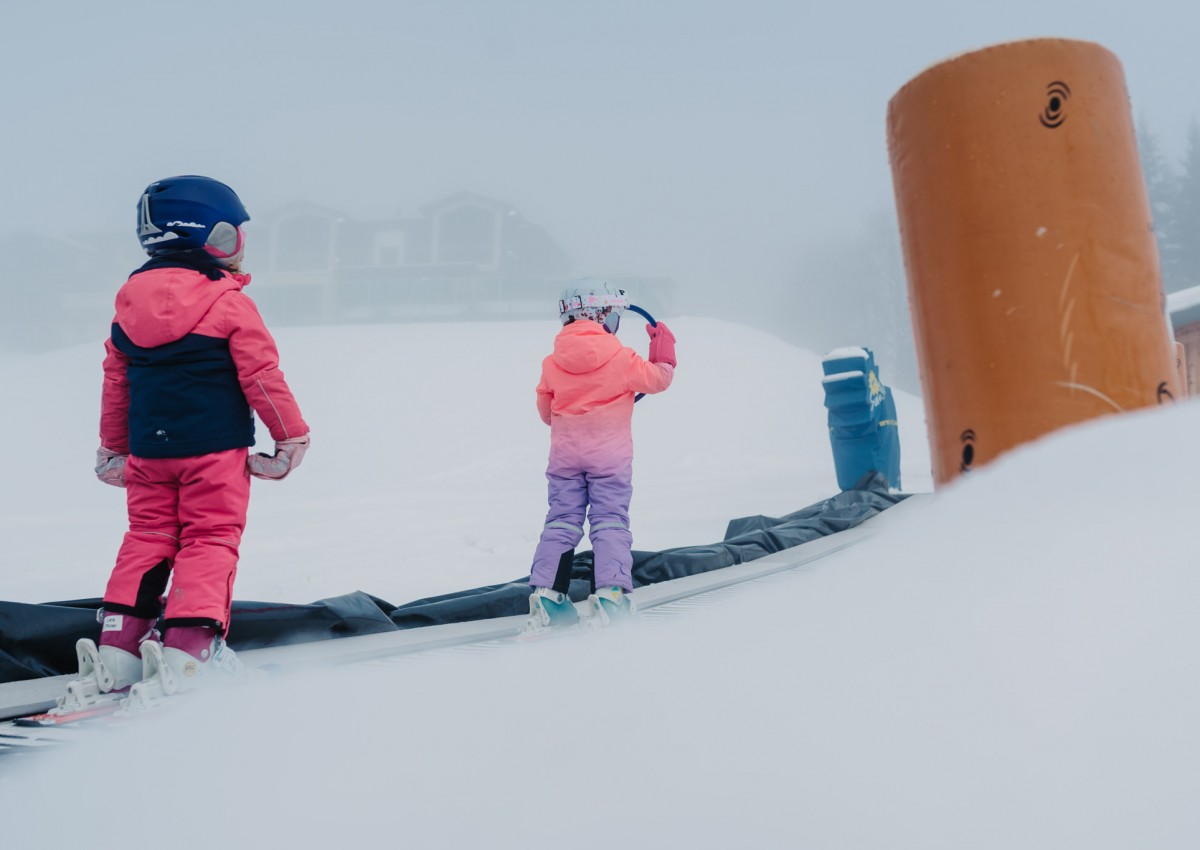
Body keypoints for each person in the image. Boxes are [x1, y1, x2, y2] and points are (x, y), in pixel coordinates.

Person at [65, 176, 310, 709]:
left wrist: (113, 448)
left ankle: (119, 655)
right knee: (209, 541)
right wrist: (290, 437)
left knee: (146, 538)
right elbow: (262, 375)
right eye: (233, 234)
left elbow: (117, 380)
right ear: (211, 236)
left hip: (149, 453)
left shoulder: (129, 303)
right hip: (215, 454)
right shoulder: (228, 302)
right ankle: (189, 655)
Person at [526, 281, 676, 631]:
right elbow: (658, 380)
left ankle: (548, 596)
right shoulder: (622, 358)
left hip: (564, 459)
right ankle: (610, 597)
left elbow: (546, 412)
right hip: (610, 459)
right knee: (609, 520)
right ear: (606, 317)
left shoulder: (552, 362)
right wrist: (664, 353)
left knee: (561, 521)